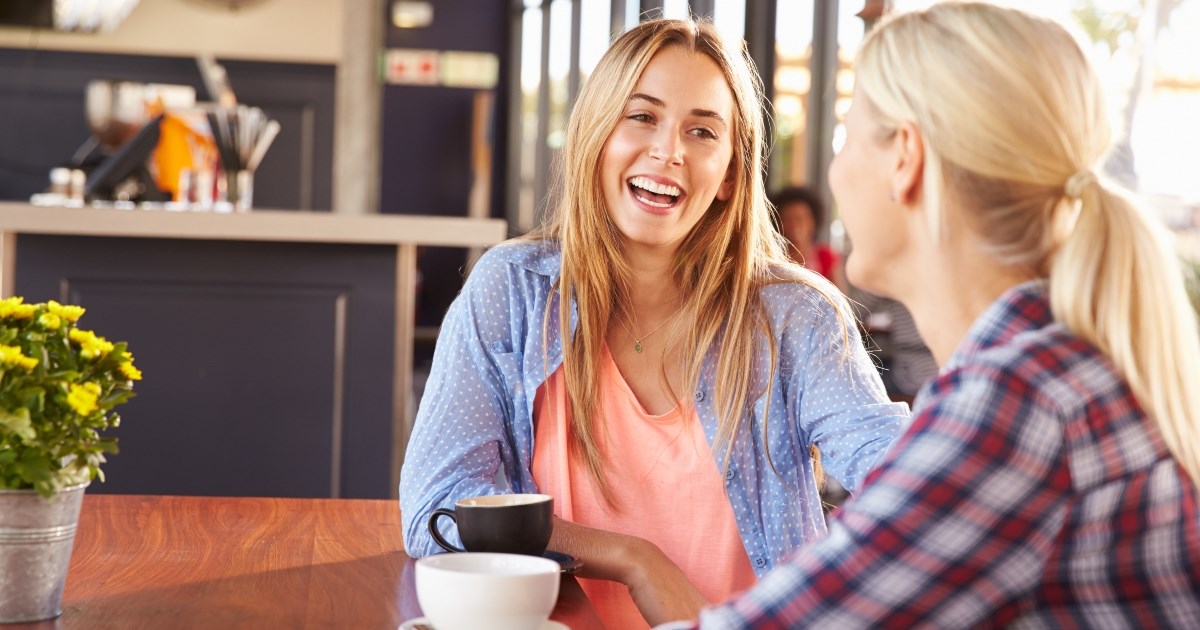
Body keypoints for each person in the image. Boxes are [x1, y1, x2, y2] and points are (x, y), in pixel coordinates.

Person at [665, 3, 1200, 627]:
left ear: (906, 160)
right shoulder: (1061, 362)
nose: (835, 169)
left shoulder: (1017, 403)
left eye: (846, 134)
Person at [399, 18, 908, 629]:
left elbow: (893, 473)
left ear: (728, 175)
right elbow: (437, 512)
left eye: (702, 131)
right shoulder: (515, 291)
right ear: (596, 134)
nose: (670, 151)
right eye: (642, 117)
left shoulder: (794, 316)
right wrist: (632, 558)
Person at [770, 185, 846, 291]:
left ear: (813, 221)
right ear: (778, 222)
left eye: (801, 218)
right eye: (788, 218)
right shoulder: (772, 257)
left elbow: (839, 299)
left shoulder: (826, 257)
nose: (795, 224)